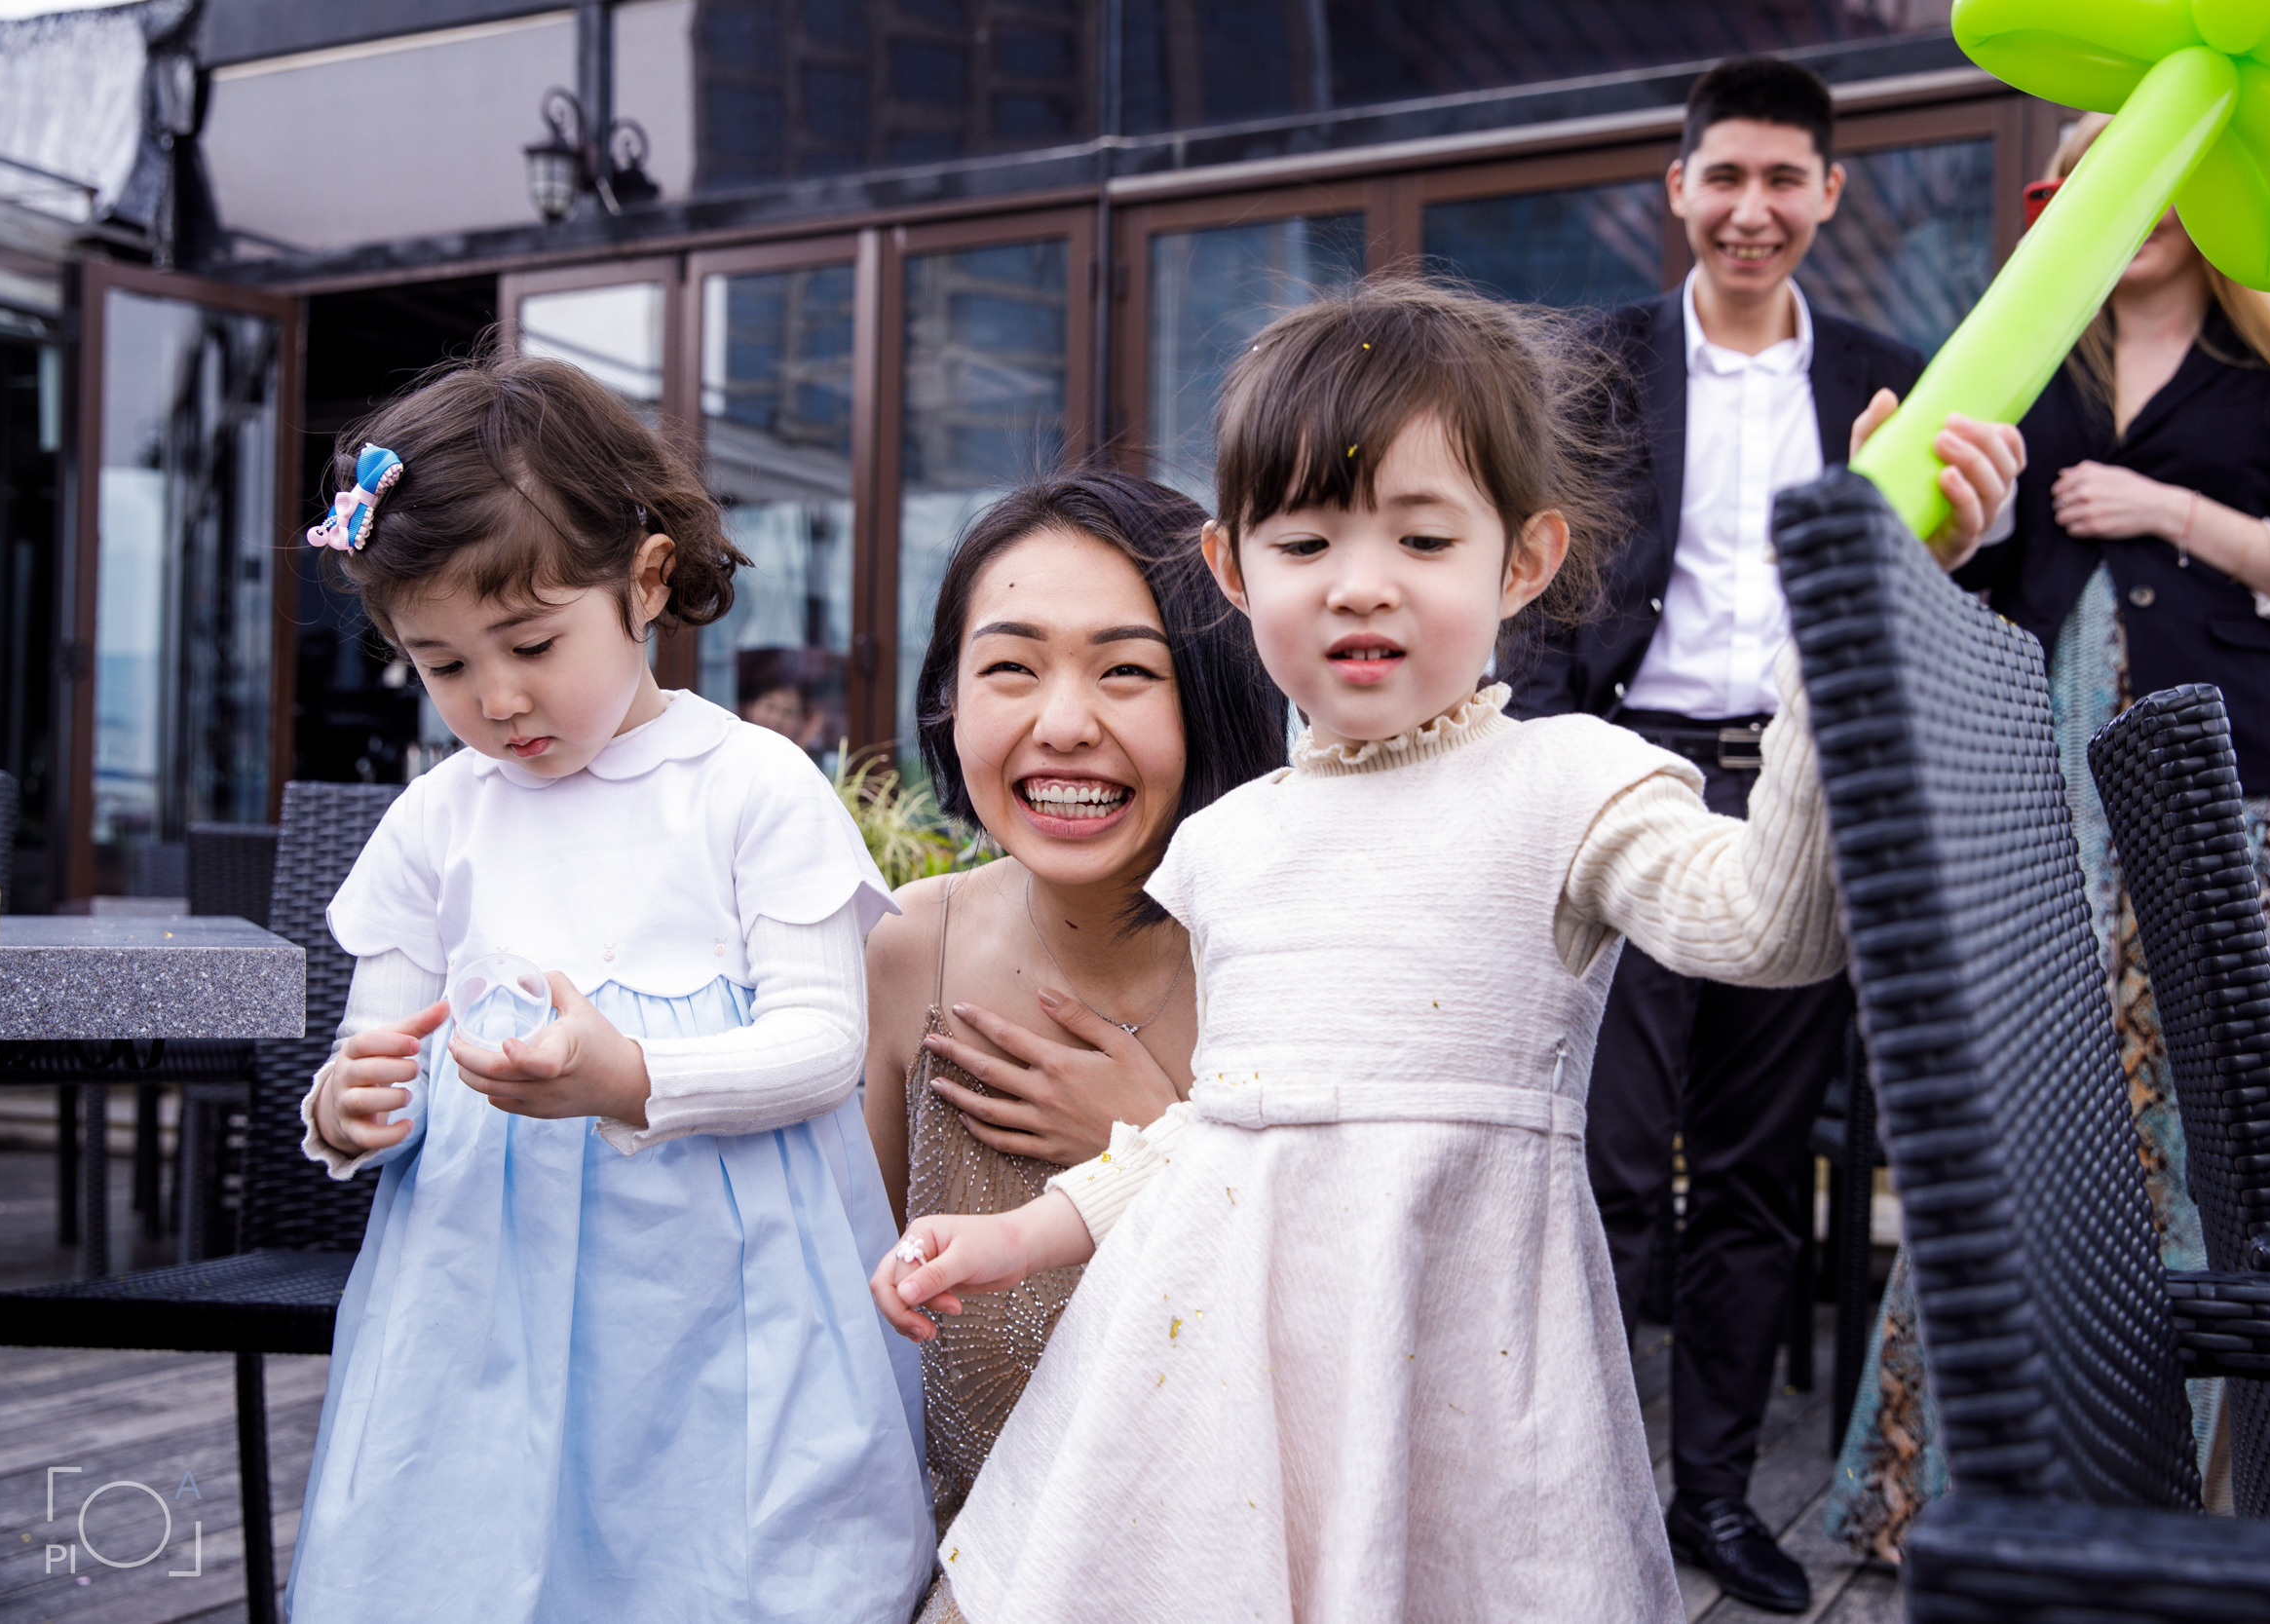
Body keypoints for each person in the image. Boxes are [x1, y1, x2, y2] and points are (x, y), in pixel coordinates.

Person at [868, 277, 1877, 1623]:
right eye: (1305, 542)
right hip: (1225, 1398)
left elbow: (1772, 922)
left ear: (1521, 560)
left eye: (1421, 536)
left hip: (1461, 1374)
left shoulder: (1567, 779)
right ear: (1230, 570)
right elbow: (1211, 1136)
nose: (1361, 585)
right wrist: (1015, 1237)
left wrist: (1838, 623)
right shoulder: (1230, 844)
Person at [1828, 110, 2270, 1563]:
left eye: (2146, 175)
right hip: (2045, 765)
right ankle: (1950, 1494)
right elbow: (1984, 568)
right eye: (2081, 179)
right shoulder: (2029, 355)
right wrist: (1969, 509)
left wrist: (2179, 512)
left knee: (2228, 1127)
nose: (2117, 201)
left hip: (2236, 786)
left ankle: (2223, 1512)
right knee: (2025, 1112)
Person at [285, 355, 935, 1622]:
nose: (499, 697)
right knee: (475, 1553)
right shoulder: (437, 821)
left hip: (718, 1294)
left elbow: (821, 1046)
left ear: (642, 581)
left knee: (722, 1549)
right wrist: (344, 1109)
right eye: (444, 663)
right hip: (482, 1302)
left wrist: (631, 1074)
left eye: (531, 641)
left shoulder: (747, 785)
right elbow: (380, 1045)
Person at [1503, 57, 2024, 1611]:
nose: (1750, 209)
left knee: (1750, 1178)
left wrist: (1958, 544)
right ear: (1677, 189)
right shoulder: (1592, 366)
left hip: (1798, 789)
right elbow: (1527, 567)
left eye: (1782, 181)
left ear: (1829, 196)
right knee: (1599, 1162)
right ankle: (1561, 1491)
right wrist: (1537, 745)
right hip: (1622, 776)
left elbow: (1931, 602)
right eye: (1722, 177)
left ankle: (1716, 1499)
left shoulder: (1891, 376)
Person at [860, 471, 1285, 1567]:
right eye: (1008, 666)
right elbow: (841, 1326)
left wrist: (1159, 1139)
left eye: (1126, 672)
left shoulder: (1285, 959)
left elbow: (1341, 1349)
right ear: (949, 696)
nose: (1062, 724)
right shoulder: (906, 952)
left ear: (1212, 692)